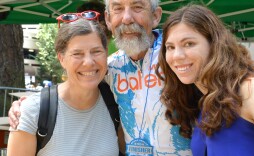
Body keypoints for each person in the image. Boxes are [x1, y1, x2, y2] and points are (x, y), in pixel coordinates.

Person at [9, 0, 195, 155]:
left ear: (155, 16)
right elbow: (78, 79)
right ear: (108, 18)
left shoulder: (178, 59)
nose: (127, 18)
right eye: (118, 8)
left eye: (137, 7)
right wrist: (30, 106)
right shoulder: (110, 67)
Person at [157, 4, 254, 156]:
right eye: (170, 47)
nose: (177, 55)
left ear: (214, 45)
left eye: (189, 44)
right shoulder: (204, 100)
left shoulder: (250, 90)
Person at [7, 16, 120, 155]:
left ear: (106, 53)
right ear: (61, 58)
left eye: (96, 51)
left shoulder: (117, 101)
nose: (89, 62)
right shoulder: (32, 112)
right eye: (77, 54)